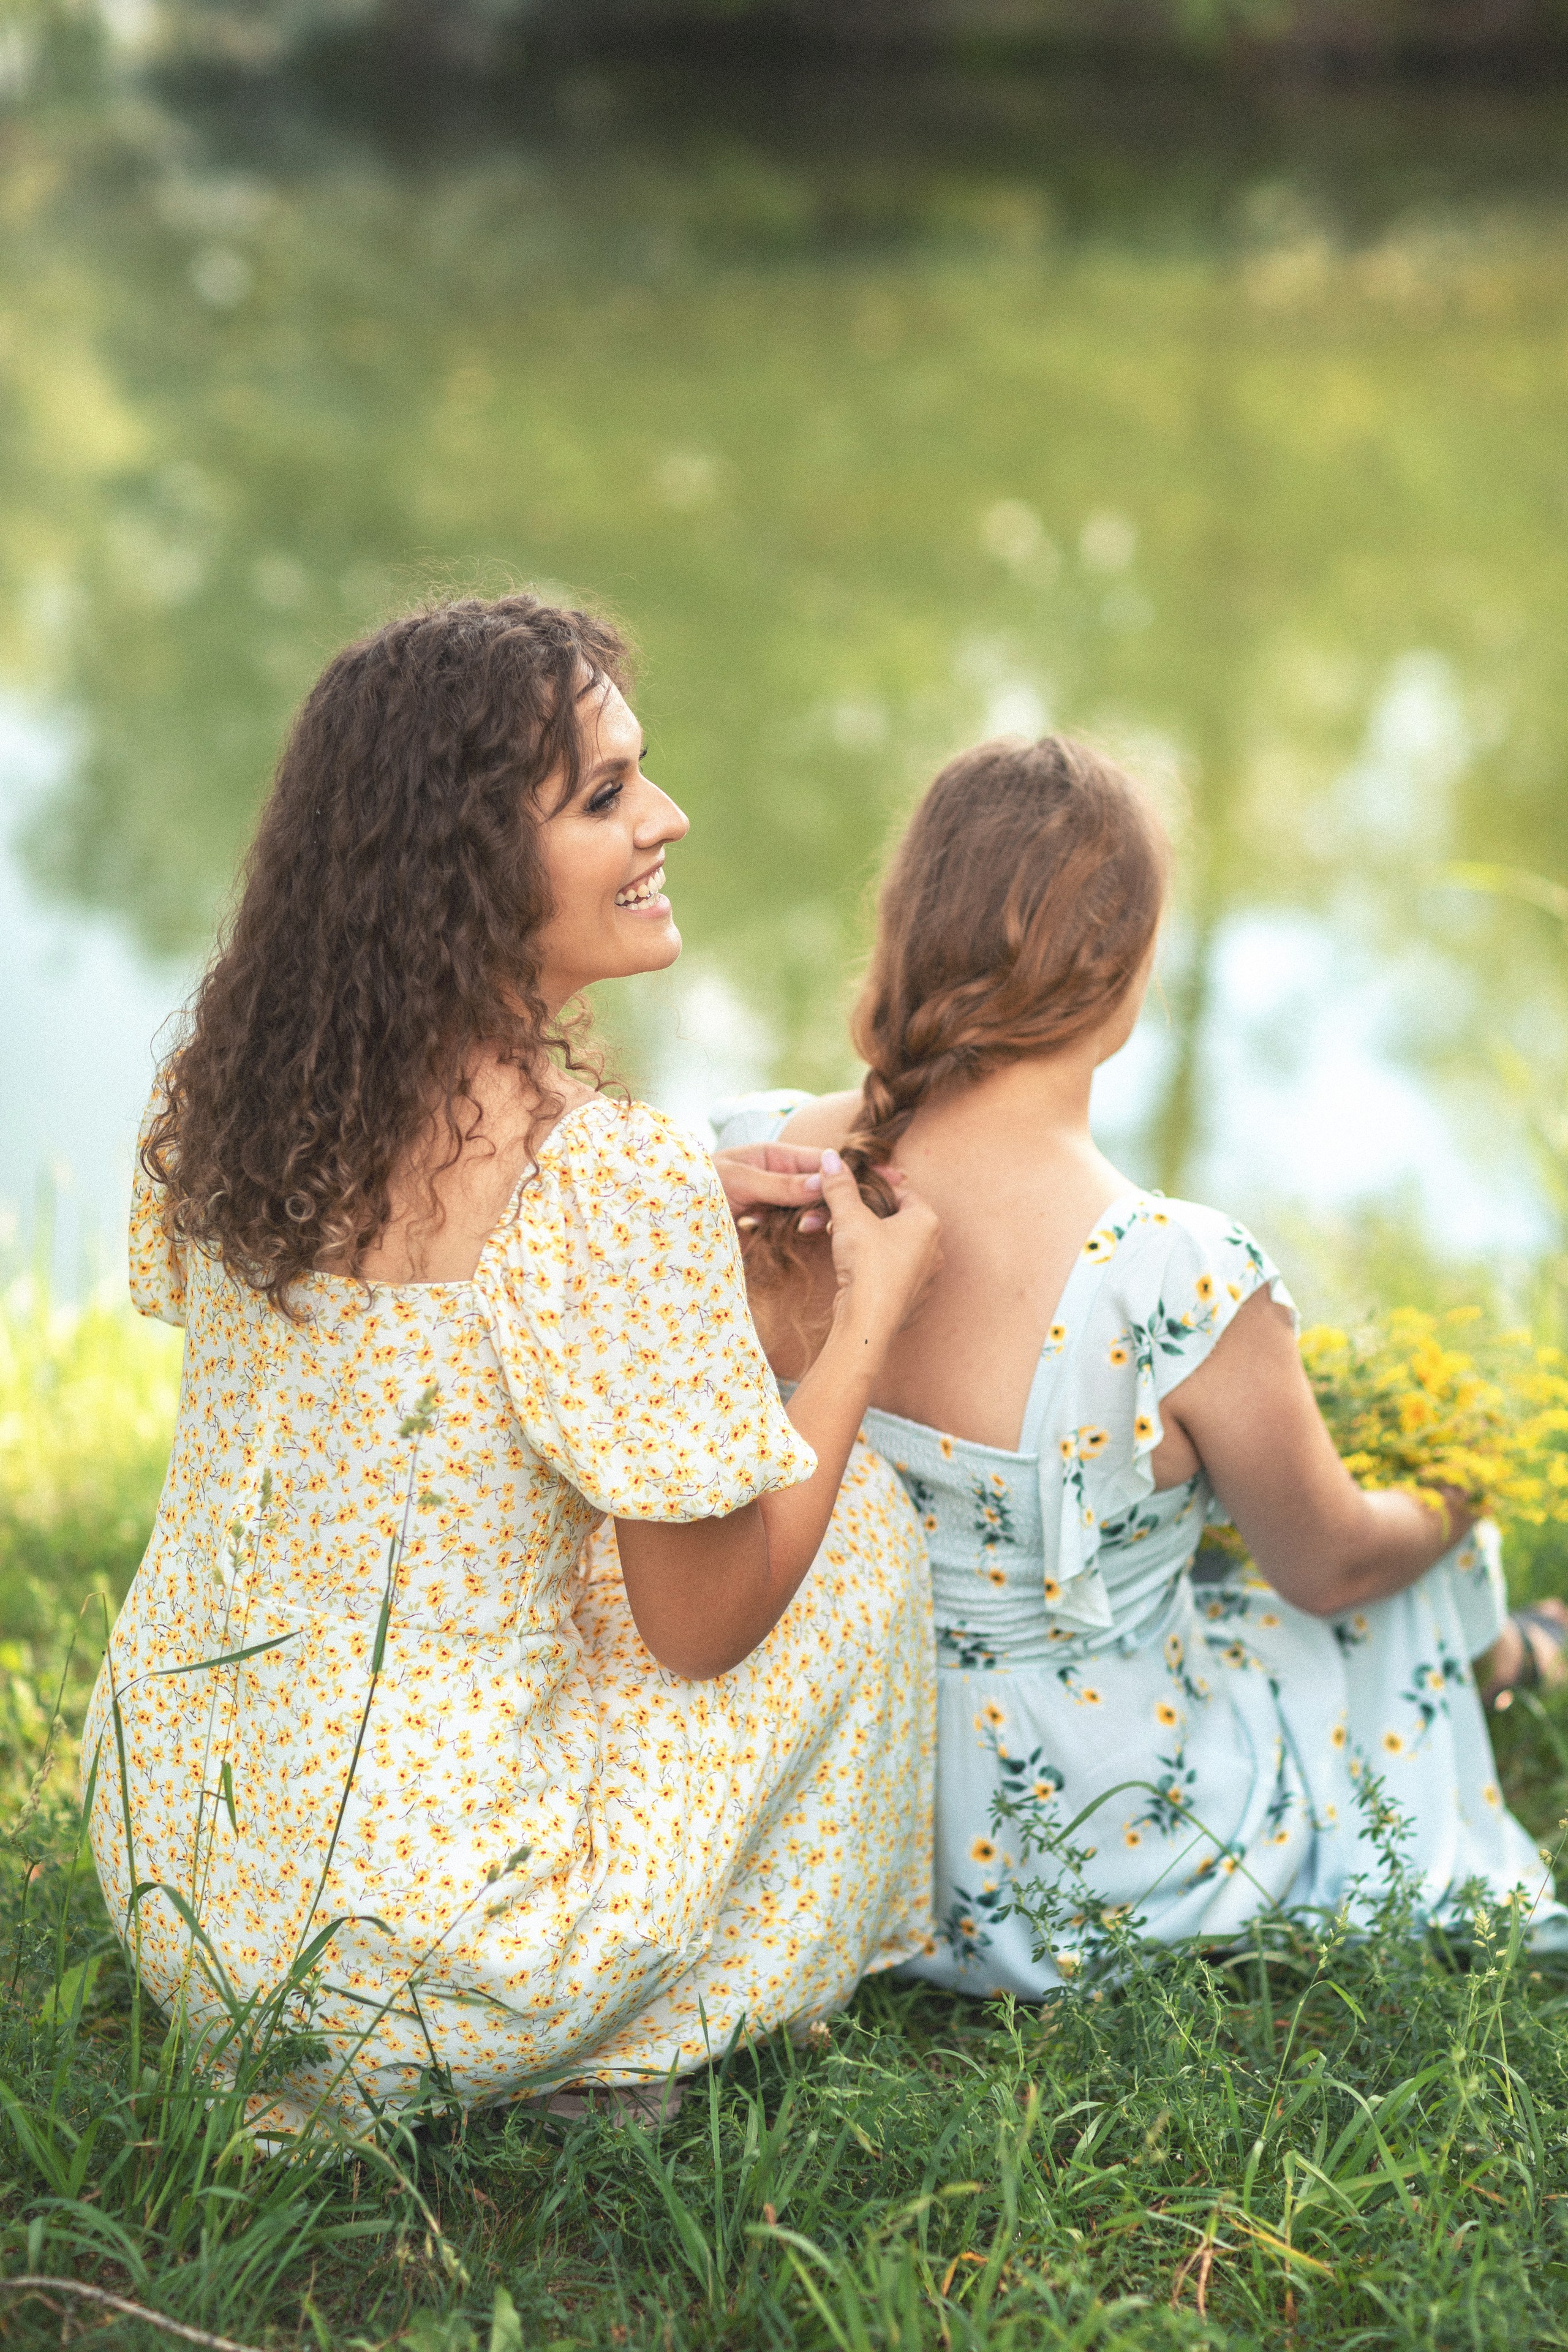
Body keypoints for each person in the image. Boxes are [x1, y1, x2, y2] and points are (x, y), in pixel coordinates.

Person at [83, 594, 940, 2132]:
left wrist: (673, 1210)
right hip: (425, 1941)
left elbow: (422, 1344)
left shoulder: (229, 1086)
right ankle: (589, 2042)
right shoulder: (594, 1183)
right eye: (606, 796)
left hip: (183, 1869)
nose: (666, 819)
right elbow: (705, 1630)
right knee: (855, 1525)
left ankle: (374, 2050)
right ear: (459, 863)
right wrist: (862, 1330)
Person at [715, 733, 1564, 1998]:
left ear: (903, 926)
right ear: (1124, 974)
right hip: (1080, 1846)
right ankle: (1511, 1648)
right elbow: (1325, 1565)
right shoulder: (1171, 1270)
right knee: (1400, 1563)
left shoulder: (758, 1163)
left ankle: (1506, 1654)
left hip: (838, 1815)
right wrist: (1454, 1497)